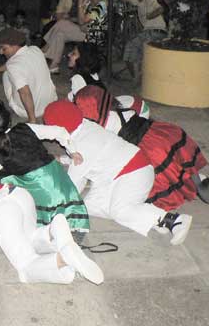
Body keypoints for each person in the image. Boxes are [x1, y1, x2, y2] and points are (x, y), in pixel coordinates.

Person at [43, 100, 193, 245]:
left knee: (120, 211)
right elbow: (90, 158)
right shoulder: (83, 127)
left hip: (134, 172)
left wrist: (47, 213)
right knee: (88, 205)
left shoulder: (83, 143)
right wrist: (64, 159)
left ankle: (174, 220)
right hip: (117, 175)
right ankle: (150, 215)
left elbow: (71, 186)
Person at [74, 85, 209, 209]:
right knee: (174, 163)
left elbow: (96, 154)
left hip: (147, 147)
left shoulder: (102, 127)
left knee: (155, 180)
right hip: (159, 132)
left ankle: (190, 186)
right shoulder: (120, 105)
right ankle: (198, 177)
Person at [0, 100, 90, 235]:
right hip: (61, 185)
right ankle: (70, 224)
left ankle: (42, 223)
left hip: (42, 192)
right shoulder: (26, 128)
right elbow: (59, 131)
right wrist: (73, 151)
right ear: (8, 118)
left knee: (2, 181)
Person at [0, 28, 57, 122]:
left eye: (4, 48)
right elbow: (12, 63)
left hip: (28, 112)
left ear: (14, 46)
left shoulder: (13, 66)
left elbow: (25, 93)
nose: (1, 52)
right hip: (50, 105)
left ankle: (23, 110)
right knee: (15, 70)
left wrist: (32, 120)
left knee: (6, 75)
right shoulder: (35, 49)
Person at [65, 42, 150, 119]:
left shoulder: (78, 78)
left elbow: (81, 107)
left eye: (73, 54)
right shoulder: (93, 75)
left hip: (105, 117)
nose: (69, 55)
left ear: (83, 59)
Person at [111, 0, 166, 81]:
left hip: (155, 31)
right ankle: (138, 77)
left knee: (132, 49)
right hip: (150, 32)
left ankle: (137, 78)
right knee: (133, 51)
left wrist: (150, 15)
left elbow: (160, 9)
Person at [41, 0, 87, 73]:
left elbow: (84, 19)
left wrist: (70, 18)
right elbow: (58, 14)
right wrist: (68, 18)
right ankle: (54, 65)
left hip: (84, 30)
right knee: (59, 34)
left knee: (61, 24)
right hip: (68, 27)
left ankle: (46, 47)